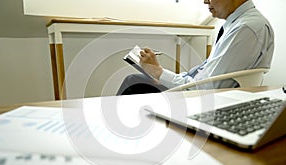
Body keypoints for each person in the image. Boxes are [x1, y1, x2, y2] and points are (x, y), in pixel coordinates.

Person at [117, 0, 274, 95]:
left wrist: (159, 72)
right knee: (137, 81)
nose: (205, 1)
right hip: (200, 89)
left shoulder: (246, 28)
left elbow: (208, 88)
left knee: (134, 83)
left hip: (207, 98)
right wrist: (159, 73)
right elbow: (207, 75)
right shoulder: (238, 25)